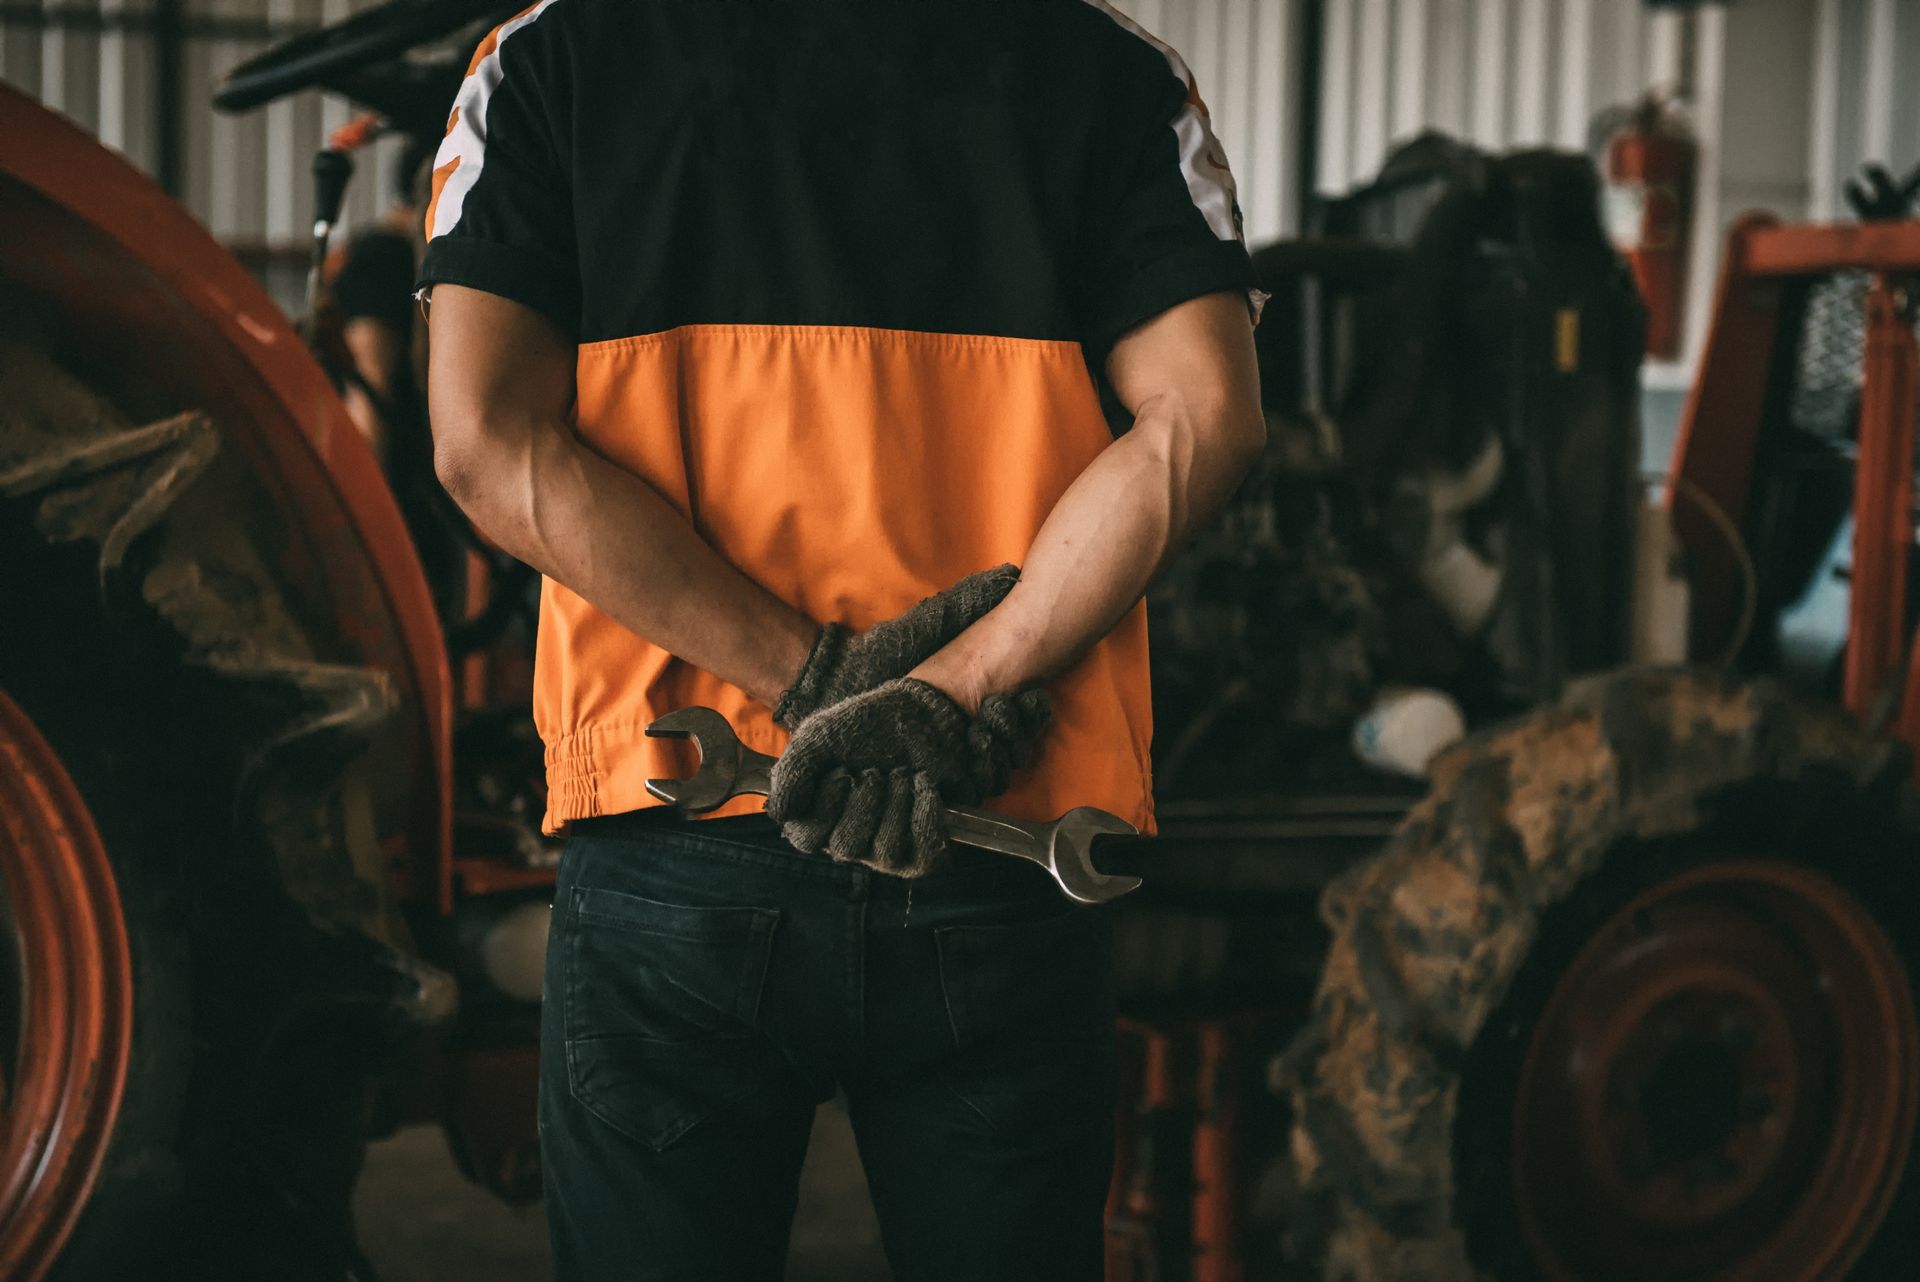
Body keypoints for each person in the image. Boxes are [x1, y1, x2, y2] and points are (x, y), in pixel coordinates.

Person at [417, 2, 1265, 1278]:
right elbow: (1206, 419)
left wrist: (805, 684)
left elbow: (482, 443)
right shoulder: (1107, 71)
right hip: (1001, 825)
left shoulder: (549, 56)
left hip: (681, 827)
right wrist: (946, 690)